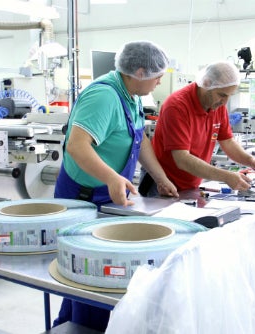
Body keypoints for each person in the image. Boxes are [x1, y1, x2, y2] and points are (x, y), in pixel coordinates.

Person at [52, 40, 178, 332]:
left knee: (90, 274)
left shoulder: (131, 94)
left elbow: (139, 139)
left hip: (104, 198)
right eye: (158, 75)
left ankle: (71, 325)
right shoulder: (104, 96)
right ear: (140, 71)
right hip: (83, 199)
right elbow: (77, 146)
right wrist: (111, 177)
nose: (160, 80)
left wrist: (159, 177)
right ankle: (82, 327)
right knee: (89, 275)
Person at [139, 61, 255, 195]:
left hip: (191, 185)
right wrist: (226, 176)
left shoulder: (217, 106)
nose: (225, 102)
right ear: (206, 84)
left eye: (229, 95)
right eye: (222, 95)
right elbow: (182, 159)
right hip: (163, 185)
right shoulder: (177, 106)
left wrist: (251, 161)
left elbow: (227, 141)